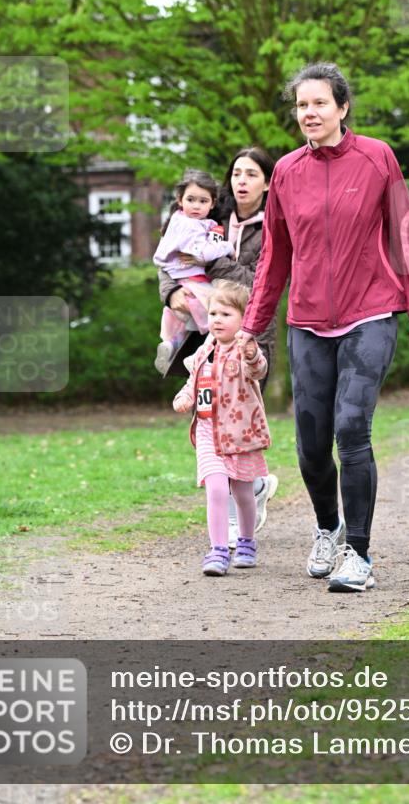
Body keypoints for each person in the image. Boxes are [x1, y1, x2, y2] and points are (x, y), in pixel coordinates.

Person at [238, 62, 409, 594]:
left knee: (352, 430)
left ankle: (361, 552)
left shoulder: (377, 157)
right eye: (302, 105)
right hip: (307, 320)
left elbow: (405, 231)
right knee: (309, 445)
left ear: (342, 107)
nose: (309, 113)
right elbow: (275, 257)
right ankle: (328, 528)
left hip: (369, 312)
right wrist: (252, 327)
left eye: (319, 103)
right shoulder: (284, 171)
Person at [159, 148, 279, 545]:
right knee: (209, 417)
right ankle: (239, 501)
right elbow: (170, 259)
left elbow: (255, 281)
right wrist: (171, 292)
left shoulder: (274, 225)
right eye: (237, 173)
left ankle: (249, 489)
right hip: (202, 331)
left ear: (266, 182)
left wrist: (210, 261)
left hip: (251, 336)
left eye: (252, 174)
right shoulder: (207, 215)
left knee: (238, 420)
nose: (242, 181)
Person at [172, 280, 271, 576]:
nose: (217, 319)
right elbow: (195, 381)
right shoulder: (204, 351)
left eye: (226, 314)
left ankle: (247, 542)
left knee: (242, 493)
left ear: (243, 319)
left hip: (240, 434)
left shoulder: (245, 350)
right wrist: (185, 395)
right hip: (208, 432)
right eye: (213, 313)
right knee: (216, 489)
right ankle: (217, 550)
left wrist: (252, 353)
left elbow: (258, 369)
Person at [153, 169, 234, 375]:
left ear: (212, 203)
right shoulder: (192, 226)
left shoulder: (177, 221)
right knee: (217, 319)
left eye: (202, 201)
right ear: (180, 200)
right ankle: (197, 356)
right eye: (191, 199)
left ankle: (171, 345)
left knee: (184, 326)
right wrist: (228, 247)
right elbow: (204, 253)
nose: (196, 206)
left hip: (180, 285)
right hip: (197, 285)